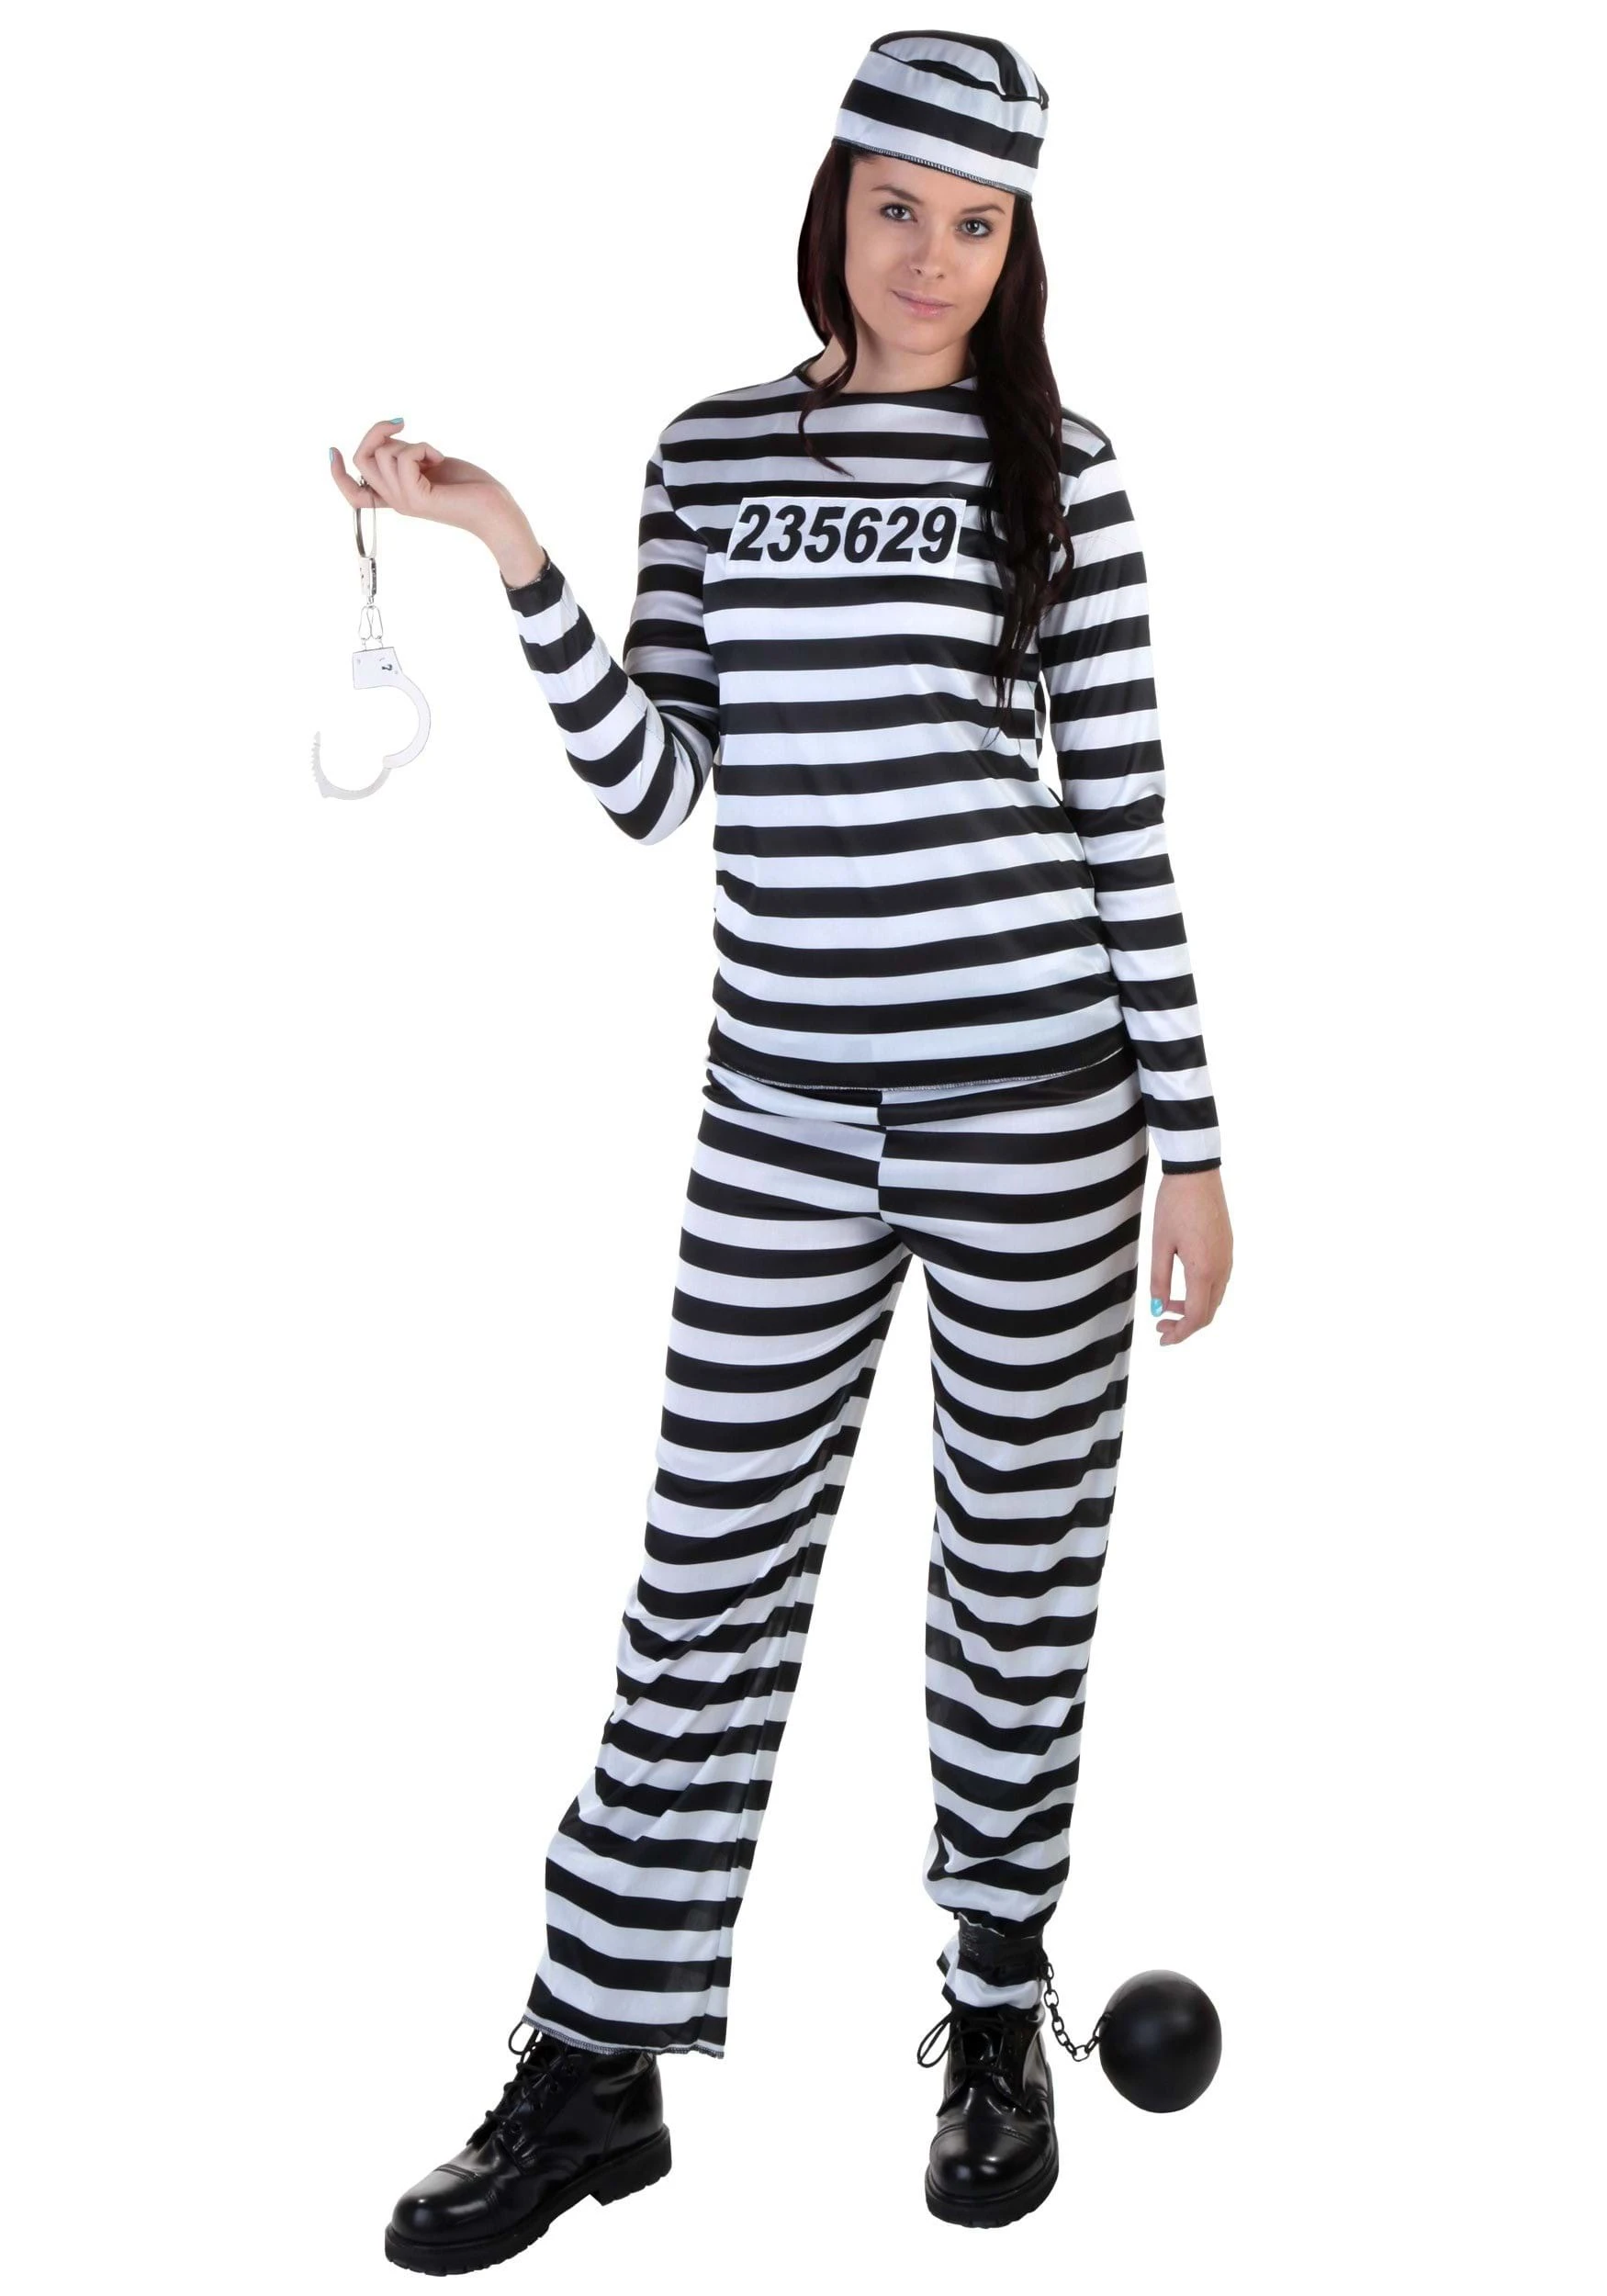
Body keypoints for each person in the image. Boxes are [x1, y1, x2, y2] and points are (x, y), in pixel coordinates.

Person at [330, 28, 1233, 2264]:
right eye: (897, 205)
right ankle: (594, 2058)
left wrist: (1190, 1143)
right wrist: (512, 547)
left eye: (976, 220)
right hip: (785, 1110)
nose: (929, 255)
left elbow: (1121, 818)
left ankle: (994, 2005)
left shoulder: (1064, 471)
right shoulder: (714, 450)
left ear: (1016, 243)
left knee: (1014, 1574)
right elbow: (658, 786)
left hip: (1042, 1104)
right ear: (835, 200)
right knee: (702, 1576)